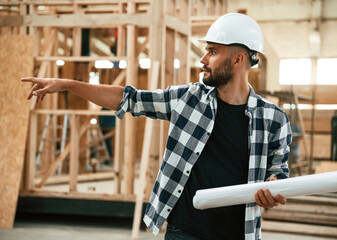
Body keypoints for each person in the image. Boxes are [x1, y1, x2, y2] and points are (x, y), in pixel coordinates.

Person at [22, 13, 291, 240]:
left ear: (237, 59)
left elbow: (279, 173)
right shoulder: (188, 99)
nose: (203, 59)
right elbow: (130, 99)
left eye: (212, 51)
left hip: (236, 232)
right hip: (184, 230)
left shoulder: (274, 119)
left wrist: (274, 188)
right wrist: (68, 84)